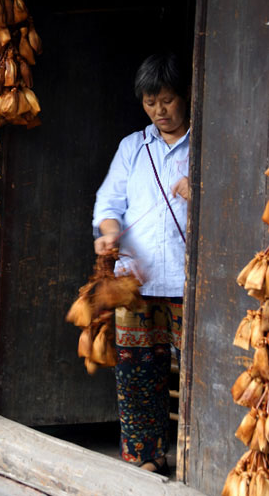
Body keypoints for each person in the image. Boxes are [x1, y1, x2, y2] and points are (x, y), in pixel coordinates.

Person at [92, 52, 190, 475]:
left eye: (167, 100)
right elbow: (108, 203)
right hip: (134, 282)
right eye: (151, 103)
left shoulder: (208, 146)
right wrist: (110, 232)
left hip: (190, 283)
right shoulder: (133, 147)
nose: (160, 112)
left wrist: (199, 186)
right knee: (136, 374)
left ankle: (199, 458)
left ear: (185, 96)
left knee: (197, 374)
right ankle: (144, 457)